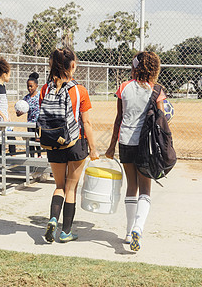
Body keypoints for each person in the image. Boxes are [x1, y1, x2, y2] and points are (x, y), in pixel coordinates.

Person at [105, 51, 166, 252]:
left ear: (135, 67)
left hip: (125, 142)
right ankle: (138, 229)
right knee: (145, 190)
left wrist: (112, 146)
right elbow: (162, 118)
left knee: (131, 186)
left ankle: (129, 230)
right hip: (145, 144)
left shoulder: (123, 87)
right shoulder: (157, 90)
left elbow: (118, 118)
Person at [42, 48, 99, 243]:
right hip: (76, 143)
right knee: (71, 189)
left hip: (53, 143)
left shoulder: (45, 88)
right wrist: (93, 149)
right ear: (72, 65)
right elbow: (87, 123)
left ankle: (52, 220)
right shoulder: (80, 90)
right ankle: (66, 232)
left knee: (59, 186)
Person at [16, 72, 42, 158]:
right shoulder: (26, 98)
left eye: (31, 86)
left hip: (39, 123)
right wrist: (19, 113)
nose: (29, 88)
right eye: (28, 86)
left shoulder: (40, 96)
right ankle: (31, 157)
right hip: (30, 123)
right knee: (31, 140)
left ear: (36, 86)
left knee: (37, 140)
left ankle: (39, 155)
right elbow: (22, 110)